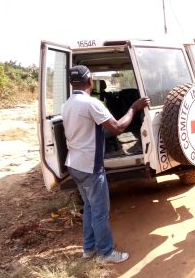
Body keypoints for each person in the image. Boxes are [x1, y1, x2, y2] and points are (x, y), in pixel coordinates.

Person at [62, 65, 150, 263]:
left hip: (74, 164)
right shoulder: (91, 103)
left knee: (90, 208)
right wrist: (134, 108)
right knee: (100, 212)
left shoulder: (66, 104)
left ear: (71, 83)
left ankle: (89, 249)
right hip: (90, 167)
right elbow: (118, 128)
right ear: (90, 81)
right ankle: (106, 253)